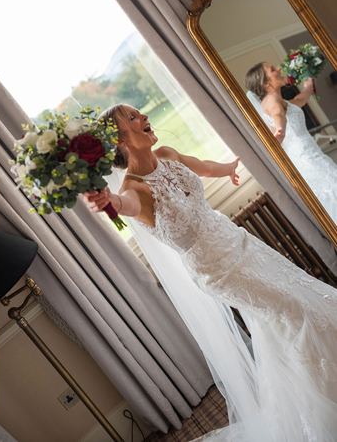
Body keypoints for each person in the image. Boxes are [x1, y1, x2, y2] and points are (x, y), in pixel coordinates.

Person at [82, 104, 337, 441]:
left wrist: (230, 167)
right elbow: (122, 202)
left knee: (299, 301)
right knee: (294, 313)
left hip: (241, 243)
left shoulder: (168, 153)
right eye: (132, 117)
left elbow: (202, 167)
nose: (143, 116)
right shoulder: (135, 189)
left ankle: (301, 402)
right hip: (220, 271)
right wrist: (106, 200)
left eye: (139, 113)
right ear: (120, 140)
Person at [245, 62, 337, 220]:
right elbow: (278, 115)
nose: (279, 69)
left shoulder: (277, 100)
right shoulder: (272, 99)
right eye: (273, 69)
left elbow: (299, 101)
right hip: (309, 160)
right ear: (266, 83)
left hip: (306, 158)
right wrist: (280, 131)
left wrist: (308, 87)